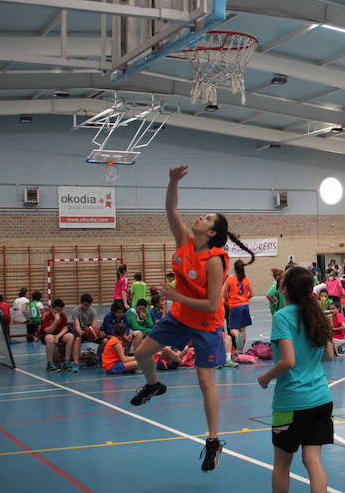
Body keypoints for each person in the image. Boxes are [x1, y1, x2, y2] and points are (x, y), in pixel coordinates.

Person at [129, 165, 254, 473]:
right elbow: (171, 209)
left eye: (207, 218)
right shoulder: (184, 240)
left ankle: (213, 441)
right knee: (142, 353)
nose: (200, 218)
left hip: (206, 323)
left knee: (205, 383)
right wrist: (172, 181)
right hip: (179, 317)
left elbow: (212, 305)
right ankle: (154, 385)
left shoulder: (214, 261)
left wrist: (175, 296)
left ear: (211, 232)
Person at [257, 266, 334, 493]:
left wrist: (266, 377)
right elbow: (329, 355)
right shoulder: (317, 315)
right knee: (314, 461)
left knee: (282, 464)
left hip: (291, 401)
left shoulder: (282, 317)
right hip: (321, 398)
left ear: (284, 289)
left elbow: (288, 361)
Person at [223, 258, 255, 353]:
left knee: (233, 329)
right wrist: (245, 299)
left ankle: (237, 336)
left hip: (235, 306)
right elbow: (251, 294)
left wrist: (228, 302)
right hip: (245, 306)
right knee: (243, 329)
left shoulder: (230, 280)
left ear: (235, 269)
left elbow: (224, 295)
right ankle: (240, 350)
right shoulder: (246, 279)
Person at [38, 298, 75, 373]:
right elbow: (48, 331)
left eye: (61, 310)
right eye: (58, 310)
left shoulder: (62, 314)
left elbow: (65, 328)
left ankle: (66, 361)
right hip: (46, 335)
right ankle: (50, 364)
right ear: (51, 308)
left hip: (58, 334)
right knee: (50, 338)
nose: (60, 312)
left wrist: (58, 336)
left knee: (70, 336)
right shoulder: (45, 314)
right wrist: (56, 320)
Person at [70, 293, 99, 370]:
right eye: (85, 305)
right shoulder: (76, 311)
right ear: (81, 303)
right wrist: (83, 332)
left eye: (89, 305)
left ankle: (99, 358)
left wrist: (93, 332)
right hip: (79, 332)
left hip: (88, 332)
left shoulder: (92, 311)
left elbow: (94, 325)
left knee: (104, 339)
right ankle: (76, 363)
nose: (87, 307)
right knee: (77, 339)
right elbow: (77, 327)